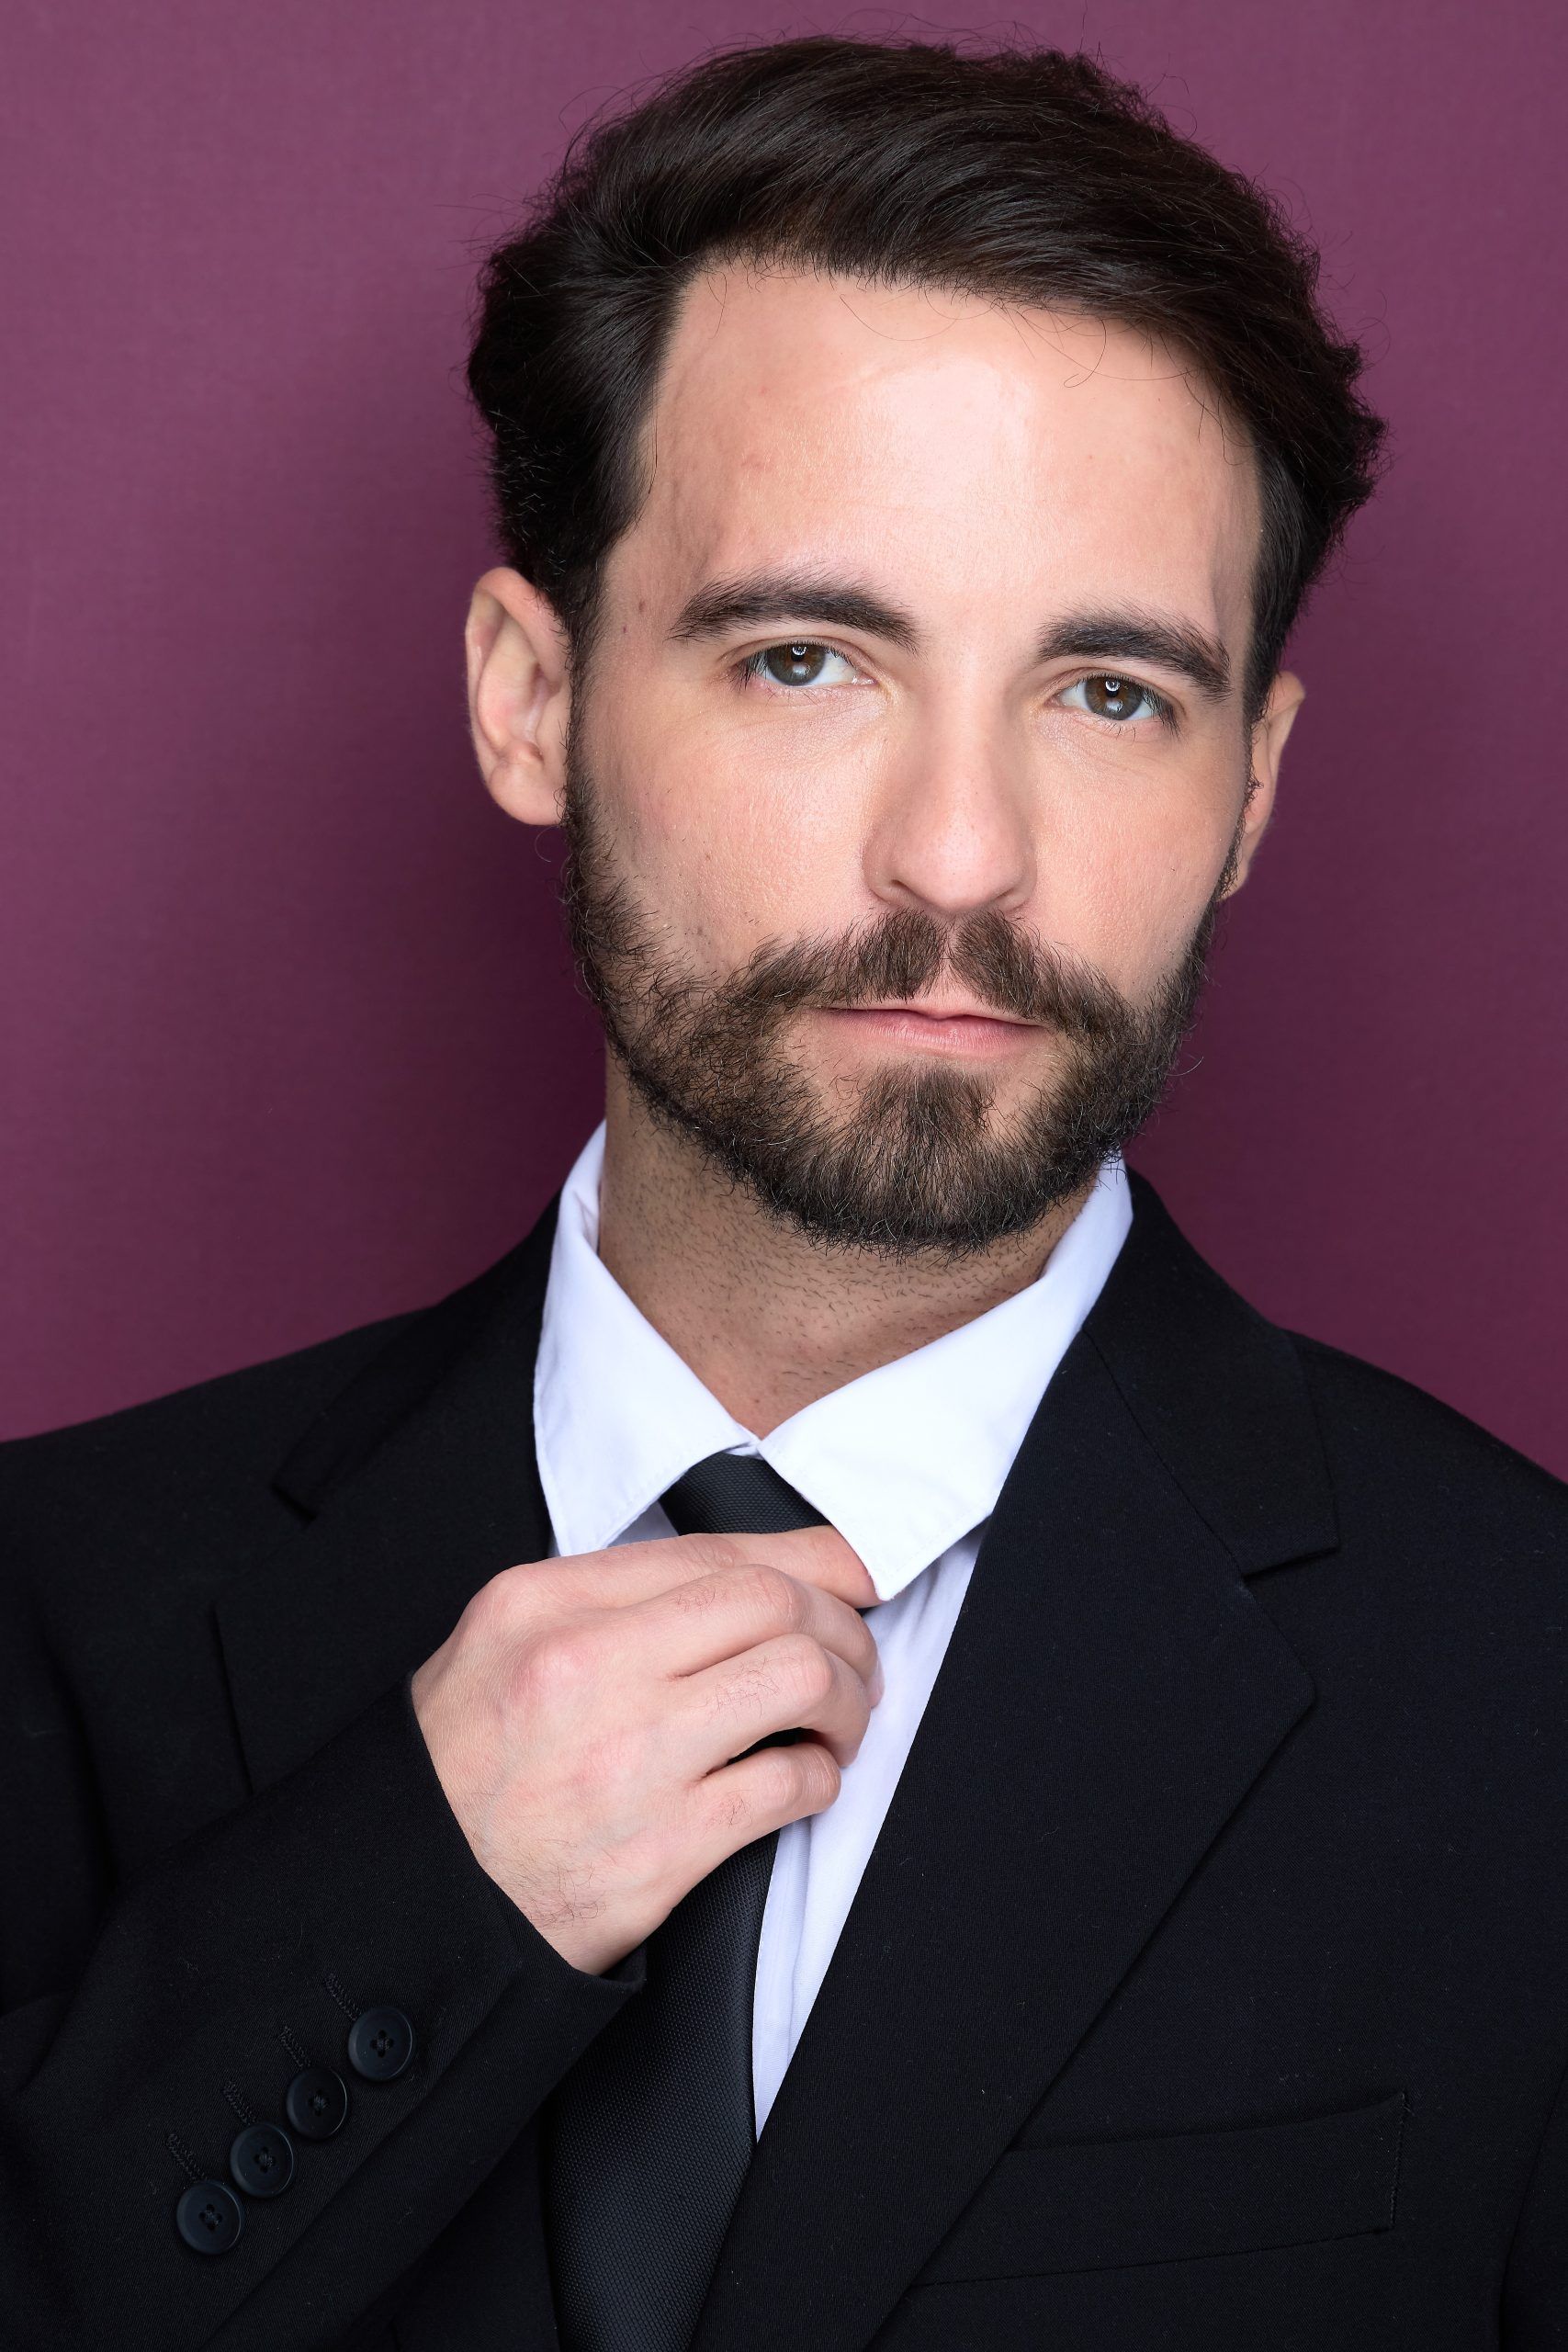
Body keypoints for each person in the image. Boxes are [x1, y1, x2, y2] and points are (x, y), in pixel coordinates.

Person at [3, 29, 1565, 2351]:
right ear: (531, 698)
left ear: (1249, 785)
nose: (959, 854)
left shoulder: (1525, 1687)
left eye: (1107, 692)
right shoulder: (49, 1610)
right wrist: (407, 1894)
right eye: (807, 659)